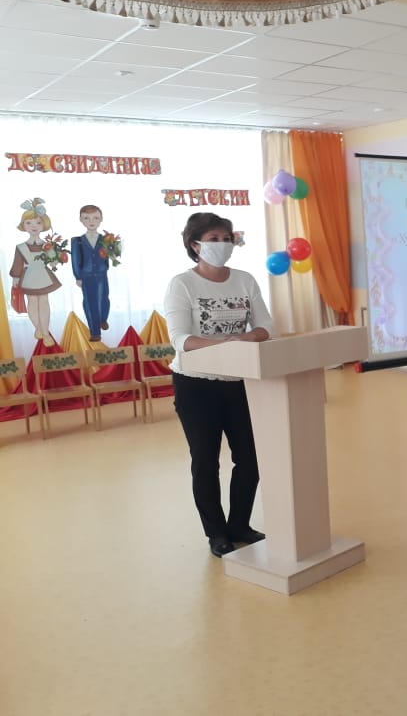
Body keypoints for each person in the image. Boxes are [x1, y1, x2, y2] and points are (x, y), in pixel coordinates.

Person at [164, 212, 273, 558]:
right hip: (196, 385)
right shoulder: (182, 284)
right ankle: (216, 533)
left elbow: (266, 327)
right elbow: (181, 339)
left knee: (250, 459)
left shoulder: (244, 280)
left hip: (240, 382)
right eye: (213, 239)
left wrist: (243, 339)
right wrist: (228, 346)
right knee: (206, 461)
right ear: (194, 245)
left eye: (227, 238)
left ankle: (240, 525)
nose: (222, 245)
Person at [9, 198, 61, 347]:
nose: (34, 226)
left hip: (43, 275)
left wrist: (56, 258)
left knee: (44, 301)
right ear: (24, 225)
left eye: (38, 223)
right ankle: (40, 329)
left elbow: (53, 262)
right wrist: (15, 279)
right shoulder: (21, 247)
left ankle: (44, 332)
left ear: (44, 225)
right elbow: (17, 264)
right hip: (29, 277)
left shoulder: (47, 245)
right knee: (32, 301)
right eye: (29, 223)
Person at [71, 204, 111, 342]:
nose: (91, 221)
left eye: (95, 218)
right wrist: (78, 276)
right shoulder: (77, 241)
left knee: (104, 298)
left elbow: (109, 255)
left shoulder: (106, 239)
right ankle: (95, 332)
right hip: (86, 275)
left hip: (101, 273)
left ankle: (103, 319)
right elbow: (75, 259)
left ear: (101, 219)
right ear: (81, 220)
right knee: (90, 302)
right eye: (86, 218)